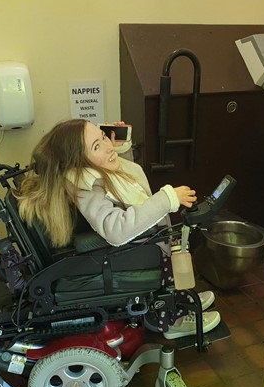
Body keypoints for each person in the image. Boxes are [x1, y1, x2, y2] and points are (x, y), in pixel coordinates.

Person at [16, 118, 220, 338]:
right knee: (173, 253)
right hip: (135, 252)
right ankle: (173, 321)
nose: (107, 146)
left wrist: (116, 148)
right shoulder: (87, 187)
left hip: (148, 244)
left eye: (102, 136)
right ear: (78, 163)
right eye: (96, 146)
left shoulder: (92, 172)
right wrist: (166, 199)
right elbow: (116, 229)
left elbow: (124, 188)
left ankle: (180, 300)